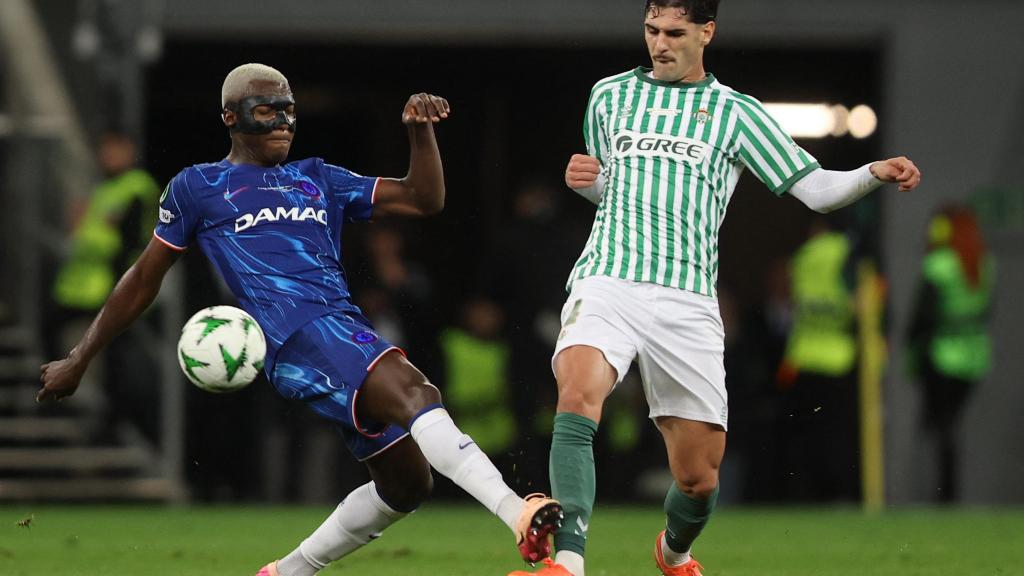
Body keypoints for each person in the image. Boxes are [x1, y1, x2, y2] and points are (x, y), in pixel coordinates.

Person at [36, 63, 563, 576]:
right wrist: (80, 358)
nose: (283, 122)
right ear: (230, 117)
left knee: (407, 485)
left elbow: (423, 198)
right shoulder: (198, 186)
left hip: (342, 327)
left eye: (289, 110)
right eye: (266, 110)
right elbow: (142, 279)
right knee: (415, 392)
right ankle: (517, 514)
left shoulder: (317, 178)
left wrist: (420, 133)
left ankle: (286, 571)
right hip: (294, 336)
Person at [510, 2, 922, 575]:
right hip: (608, 278)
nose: (659, 43)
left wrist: (870, 173)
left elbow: (815, 189)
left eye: (674, 32)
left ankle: (674, 551)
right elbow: (618, 190)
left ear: (707, 32)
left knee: (699, 479)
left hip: (687, 298)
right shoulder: (608, 96)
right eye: (651, 30)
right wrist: (589, 185)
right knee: (577, 395)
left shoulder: (736, 113)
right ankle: (569, 561)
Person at [906, 205, 995, 503]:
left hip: (943, 355)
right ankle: (947, 492)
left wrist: (911, 348)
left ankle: (945, 494)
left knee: (941, 426)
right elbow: (987, 312)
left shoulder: (939, 264)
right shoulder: (983, 264)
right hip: (974, 356)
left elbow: (923, 316)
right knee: (949, 424)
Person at [777, 217, 860, 502]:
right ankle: (837, 492)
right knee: (837, 433)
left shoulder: (802, 256)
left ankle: (806, 493)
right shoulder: (847, 252)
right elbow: (859, 302)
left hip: (803, 356)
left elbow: (793, 302)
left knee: (806, 433)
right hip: (839, 356)